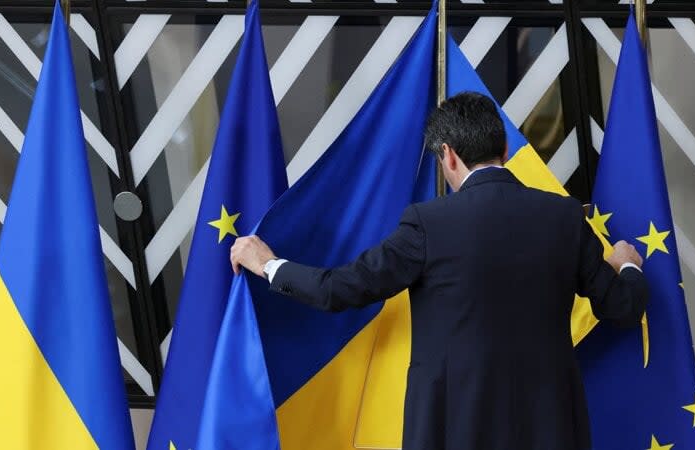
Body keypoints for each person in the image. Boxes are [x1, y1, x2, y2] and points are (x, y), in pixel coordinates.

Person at [230, 92, 648, 450]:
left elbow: (338, 290)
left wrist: (267, 263)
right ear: (503, 149)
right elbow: (623, 308)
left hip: (454, 431)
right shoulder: (564, 218)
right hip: (551, 430)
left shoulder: (428, 224)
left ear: (447, 154)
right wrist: (627, 263)